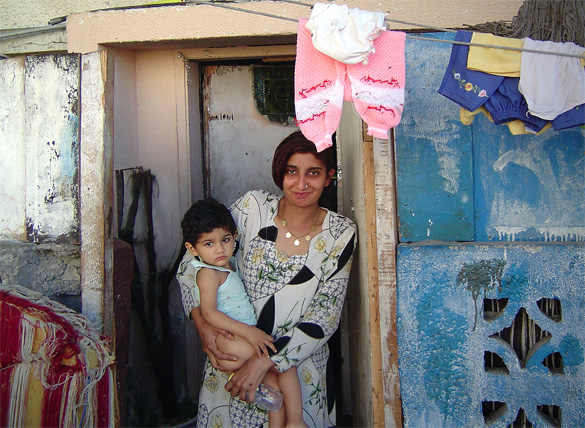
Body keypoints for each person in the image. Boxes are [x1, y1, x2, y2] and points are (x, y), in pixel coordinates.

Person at [177, 130, 356, 428]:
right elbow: (192, 263)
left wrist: (266, 362)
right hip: (232, 362)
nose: (301, 184)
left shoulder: (340, 232)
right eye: (291, 171)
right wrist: (201, 323)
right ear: (279, 173)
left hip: (298, 371)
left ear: (329, 177)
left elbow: (325, 314)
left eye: (313, 173)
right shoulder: (252, 209)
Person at [180, 197, 308, 428]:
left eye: (225, 240)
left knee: (274, 388)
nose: (220, 249)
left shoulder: (226, 266)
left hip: (235, 342)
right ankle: (296, 422)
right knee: (283, 360)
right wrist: (250, 333)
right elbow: (208, 313)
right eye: (208, 244)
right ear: (192, 248)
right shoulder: (208, 273)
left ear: (235, 236)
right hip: (233, 341)